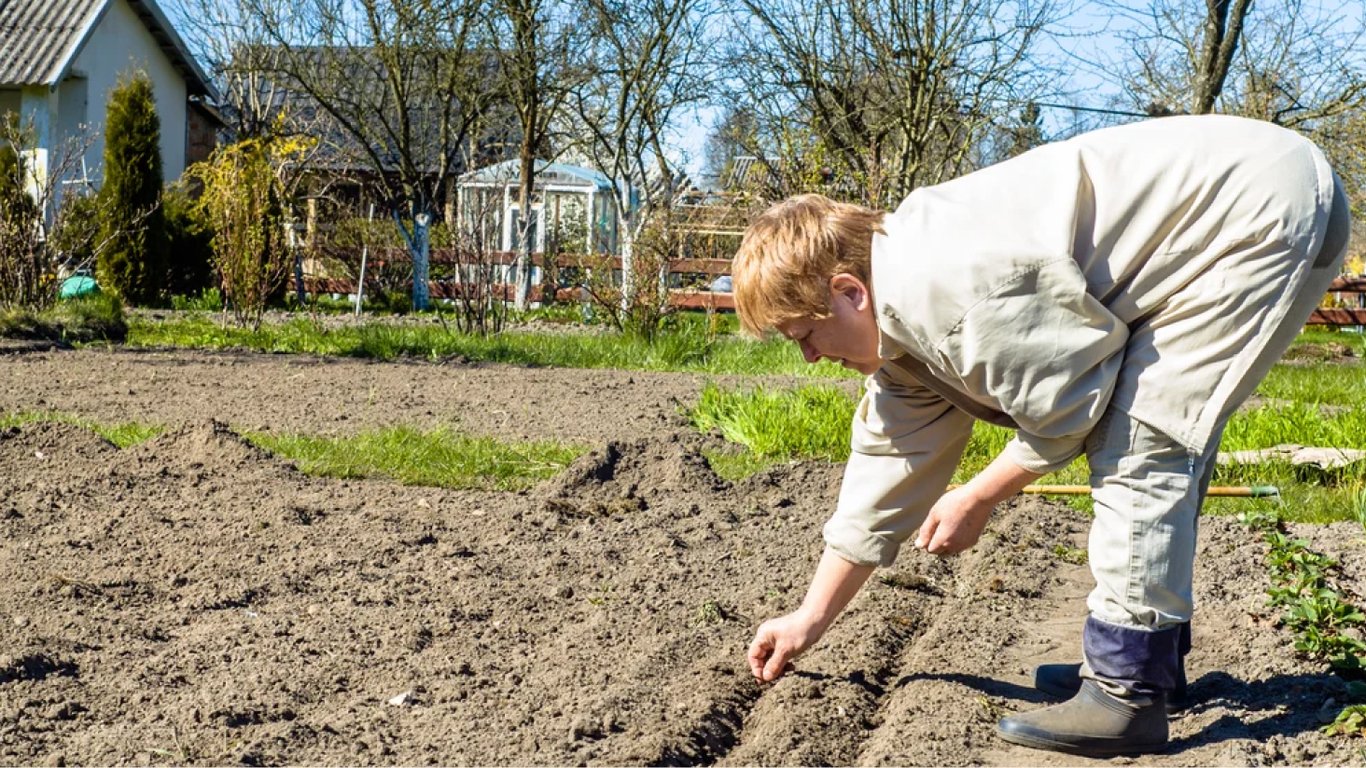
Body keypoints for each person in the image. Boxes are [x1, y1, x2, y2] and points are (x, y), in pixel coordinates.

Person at [733, 114, 1351, 757]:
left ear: (848, 292)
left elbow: (1071, 406)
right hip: (1254, 198)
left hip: (1253, 211)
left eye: (804, 335)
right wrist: (808, 619)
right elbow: (885, 473)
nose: (807, 357)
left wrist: (978, 496)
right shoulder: (902, 328)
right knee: (1151, 434)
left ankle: (1127, 691)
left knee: (1140, 437)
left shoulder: (946, 292)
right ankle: (1150, 665)